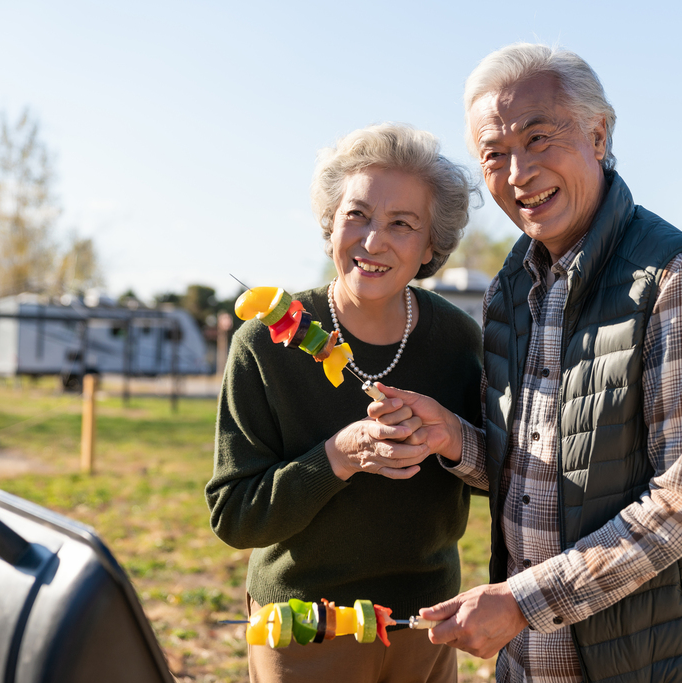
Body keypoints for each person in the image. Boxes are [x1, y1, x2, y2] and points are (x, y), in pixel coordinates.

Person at [369, 45, 682, 683]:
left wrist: (522, 602)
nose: (518, 172)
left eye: (539, 138)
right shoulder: (510, 290)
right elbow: (539, 470)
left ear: (599, 134)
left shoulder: (677, 279)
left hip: (658, 662)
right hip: (535, 662)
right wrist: (453, 439)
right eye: (494, 155)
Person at [206, 123, 483, 683]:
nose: (373, 241)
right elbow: (234, 516)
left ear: (432, 245)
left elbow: (505, 476)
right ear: (330, 222)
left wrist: (450, 438)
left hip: (423, 628)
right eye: (356, 215)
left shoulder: (459, 341)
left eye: (402, 224)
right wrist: (337, 457)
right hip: (303, 633)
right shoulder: (265, 344)